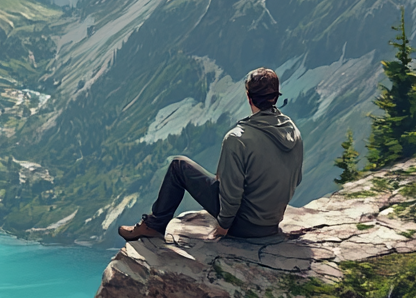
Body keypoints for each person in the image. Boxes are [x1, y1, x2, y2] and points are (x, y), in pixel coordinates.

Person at [119, 68, 303, 241]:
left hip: (243, 227)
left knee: (178, 165)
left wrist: (223, 227)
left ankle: (153, 226)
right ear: (275, 98)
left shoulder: (238, 138)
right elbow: (296, 179)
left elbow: (232, 193)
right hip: (271, 224)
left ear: (249, 97)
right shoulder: (292, 131)